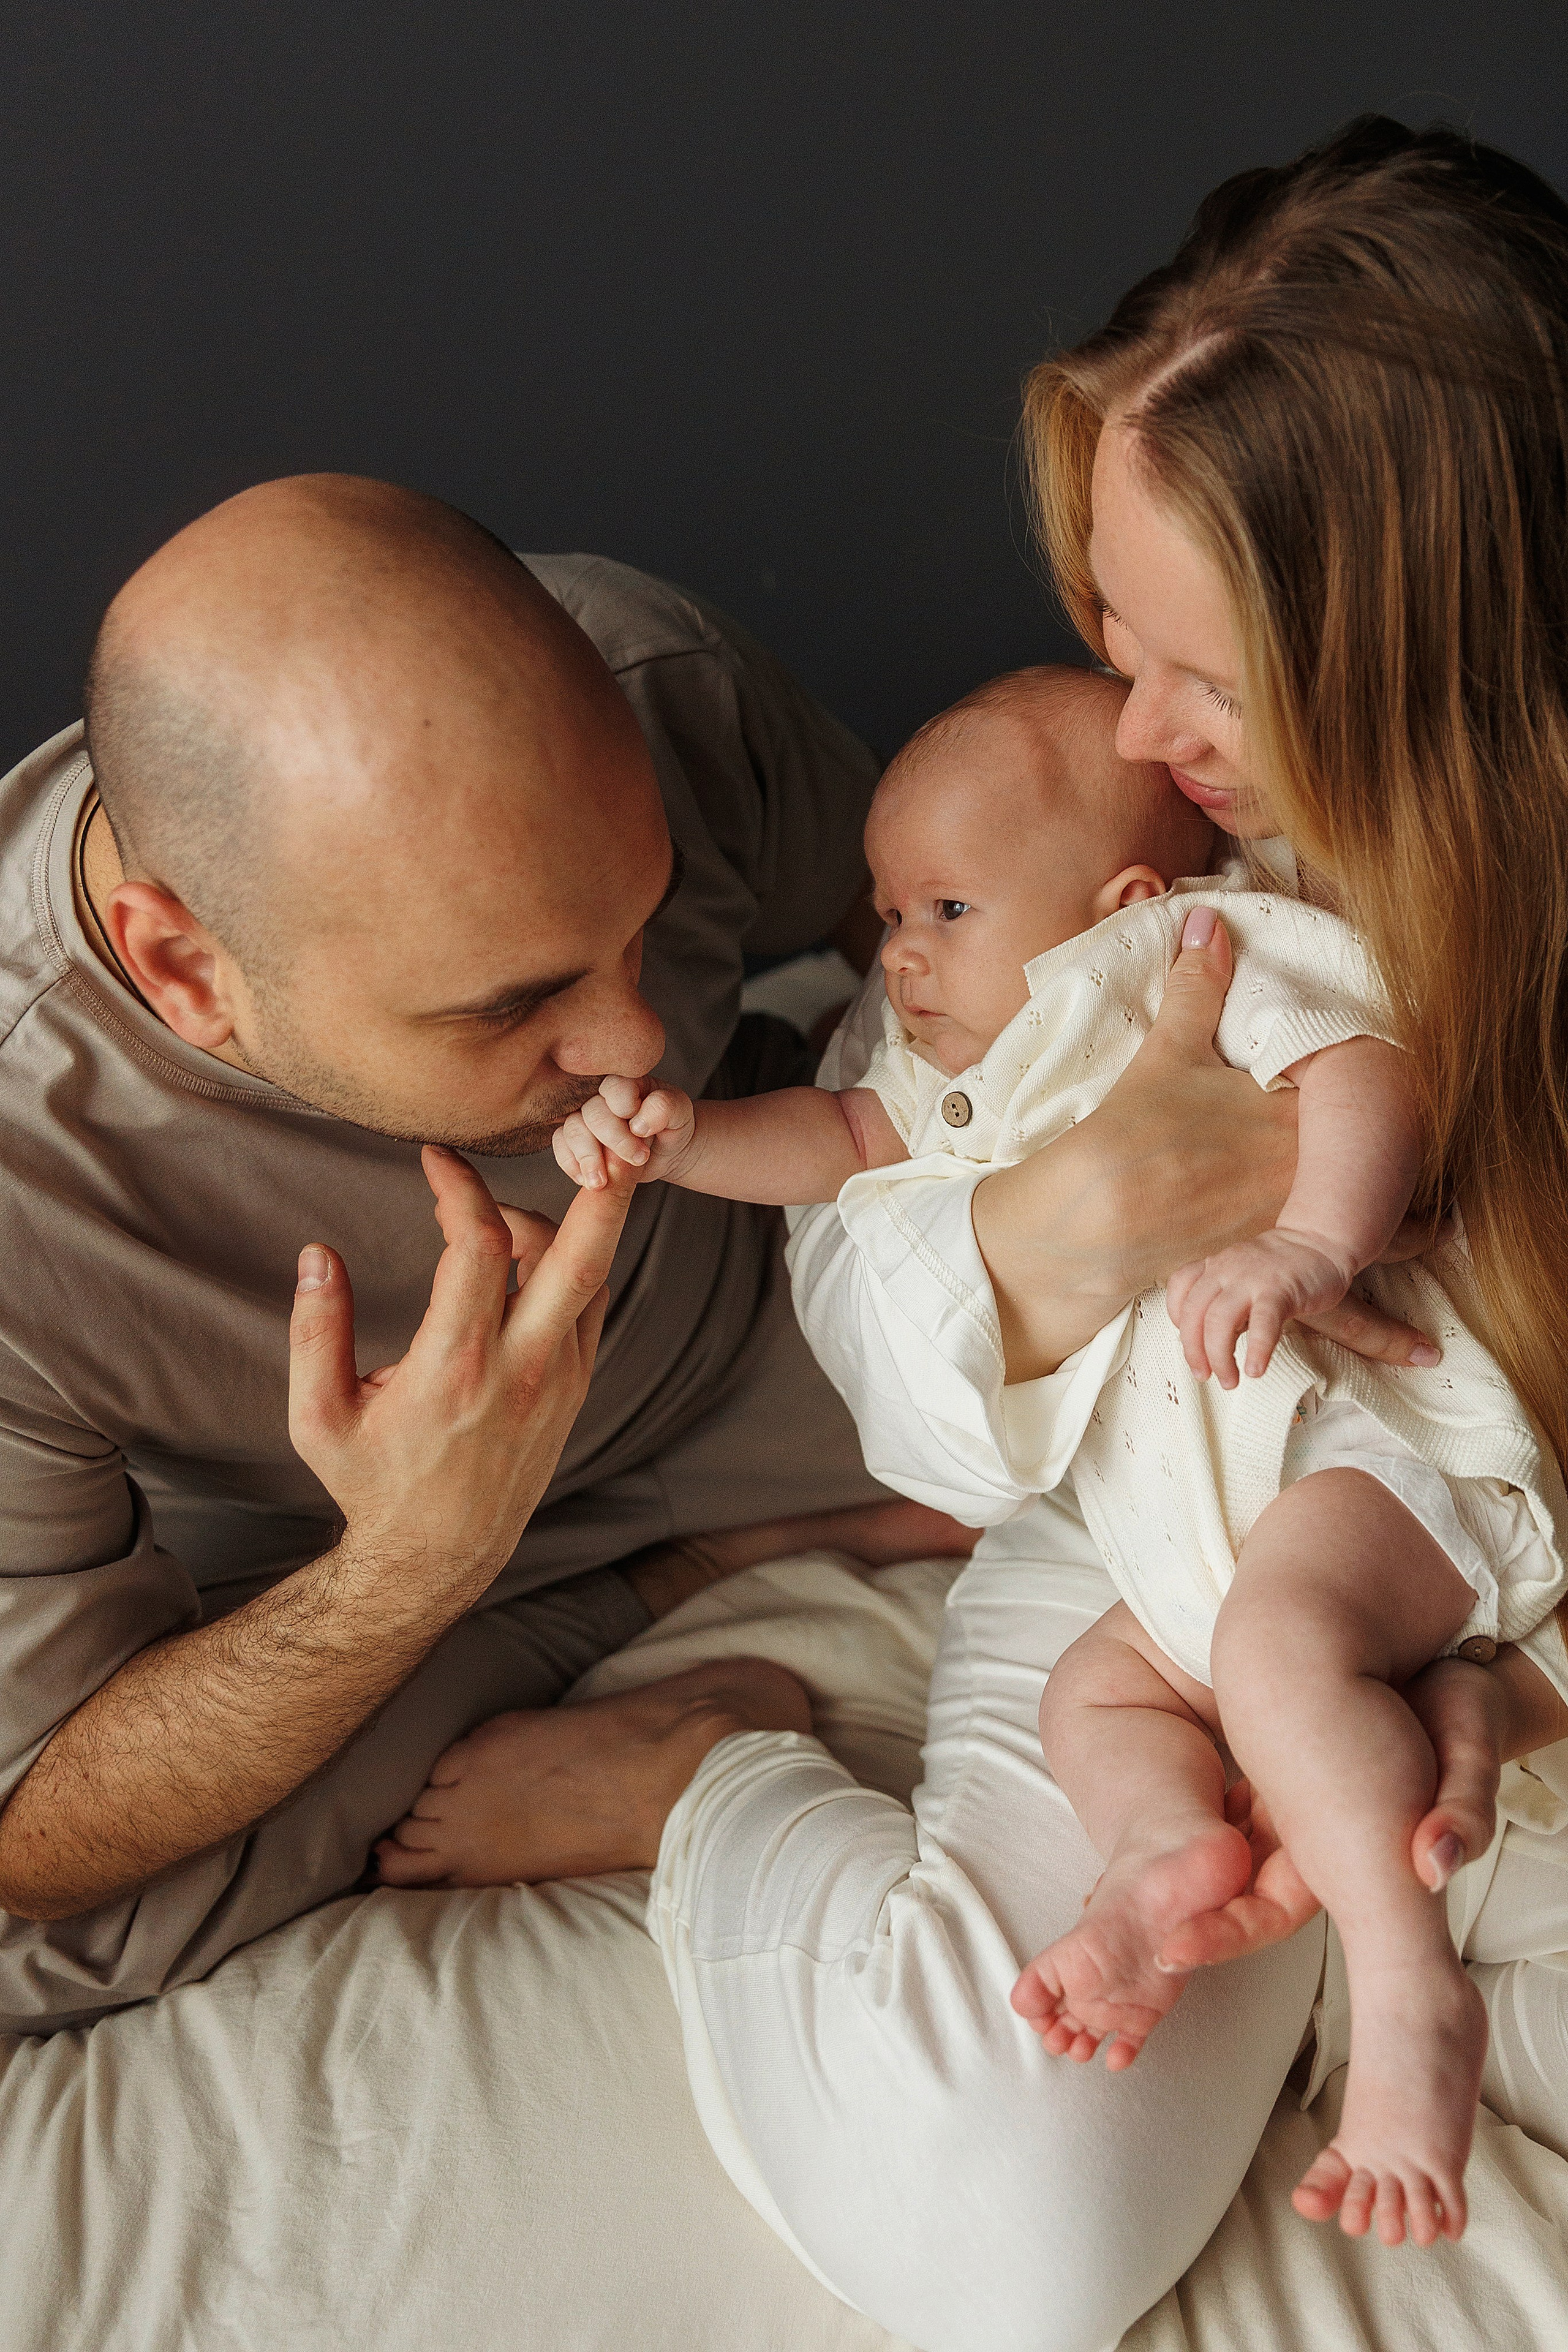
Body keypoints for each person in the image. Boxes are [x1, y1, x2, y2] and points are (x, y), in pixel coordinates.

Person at [384, 120, 1568, 2352]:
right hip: (1146, 1510)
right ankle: (711, 1788)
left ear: (1451, 659)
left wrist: (1514, 1678)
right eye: (1114, 634)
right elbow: (906, 1289)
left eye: (1211, 678)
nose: (1134, 731)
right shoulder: (1144, 905)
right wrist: (1078, 1216)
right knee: (1005, 2219)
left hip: (1424, 1523)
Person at [556, 658, 1568, 2247]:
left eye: (946, 908)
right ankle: (1160, 1860)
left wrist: (1310, 1245)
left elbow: (1360, 1071)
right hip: (1178, 1541)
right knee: (1096, 1690)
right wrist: (681, 1141)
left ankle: (1408, 1988)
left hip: (1366, 1471)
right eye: (889, 911)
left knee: (1279, 1654)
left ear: (1125, 895)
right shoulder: (955, 1077)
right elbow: (833, 1149)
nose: (895, 951)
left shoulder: (1200, 954)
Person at [0, 474, 981, 2032]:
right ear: (184, 969)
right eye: (507, 1003)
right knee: (31, 1946)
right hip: (347, 1551)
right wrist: (411, 1559)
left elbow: (937, 954)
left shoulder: (657, 679)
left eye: (642, 921)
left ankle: (723, 1553)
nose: (630, 1037)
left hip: (761, 1306)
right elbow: (34, 1836)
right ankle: (673, 1594)